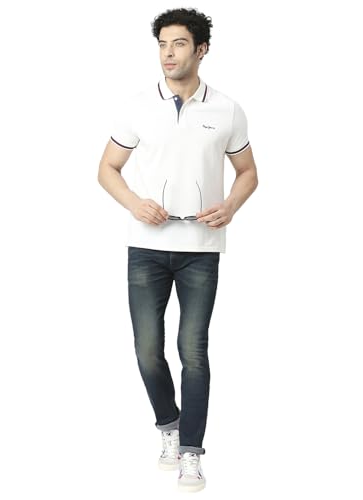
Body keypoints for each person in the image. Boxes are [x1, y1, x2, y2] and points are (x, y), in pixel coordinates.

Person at [97, 7, 258, 493]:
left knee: (193, 350)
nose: (168, 54)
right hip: (146, 248)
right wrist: (134, 203)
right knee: (147, 350)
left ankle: (191, 451)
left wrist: (230, 206)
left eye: (179, 44)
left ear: (201, 49)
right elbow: (107, 168)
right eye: (162, 44)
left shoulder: (226, 109)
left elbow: (248, 172)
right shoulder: (137, 106)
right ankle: (168, 425)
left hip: (200, 249)